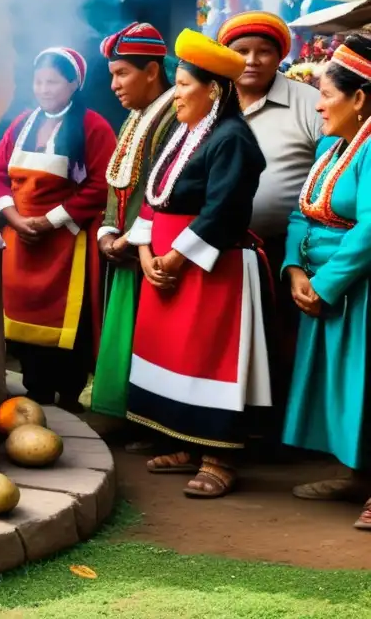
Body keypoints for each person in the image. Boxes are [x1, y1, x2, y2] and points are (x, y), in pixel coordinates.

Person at [124, 29, 269, 498]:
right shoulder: (184, 133)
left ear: (215, 89)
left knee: (210, 358)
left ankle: (219, 458)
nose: (176, 94)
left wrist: (174, 257)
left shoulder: (232, 140)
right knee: (175, 355)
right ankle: (185, 443)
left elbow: (223, 210)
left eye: (184, 85)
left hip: (212, 270)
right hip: (167, 264)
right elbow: (153, 195)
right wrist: (145, 251)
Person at [0, 47, 116, 411]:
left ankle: (69, 393)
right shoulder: (21, 122)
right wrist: (14, 218)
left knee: (68, 320)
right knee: (22, 314)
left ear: (74, 83)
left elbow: (104, 183)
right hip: (21, 237)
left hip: (66, 241)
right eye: (38, 81)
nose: (43, 89)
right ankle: (35, 388)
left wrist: (52, 220)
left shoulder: (94, 127)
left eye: (53, 82)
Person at [281, 36, 371, 529]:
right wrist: (296, 270)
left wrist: (327, 283)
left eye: (326, 94)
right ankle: (358, 475)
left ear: (359, 98)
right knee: (347, 389)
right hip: (327, 286)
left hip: (360, 292)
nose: (317, 105)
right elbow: (303, 213)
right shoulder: (331, 145)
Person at [216, 11, 321, 433]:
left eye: (265, 52)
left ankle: (272, 434)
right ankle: (220, 426)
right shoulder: (212, 99)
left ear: (282, 55)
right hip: (217, 249)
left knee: (277, 344)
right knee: (224, 343)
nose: (253, 60)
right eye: (242, 51)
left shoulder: (309, 103)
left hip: (283, 250)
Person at [92, 23, 177, 421]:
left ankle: (146, 420)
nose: (114, 85)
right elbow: (119, 185)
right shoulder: (135, 117)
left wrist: (132, 240)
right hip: (126, 247)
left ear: (152, 71)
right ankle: (127, 414)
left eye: (122, 73)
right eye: (112, 75)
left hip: (153, 253)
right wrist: (109, 230)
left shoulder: (175, 117)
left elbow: (168, 191)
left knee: (154, 342)